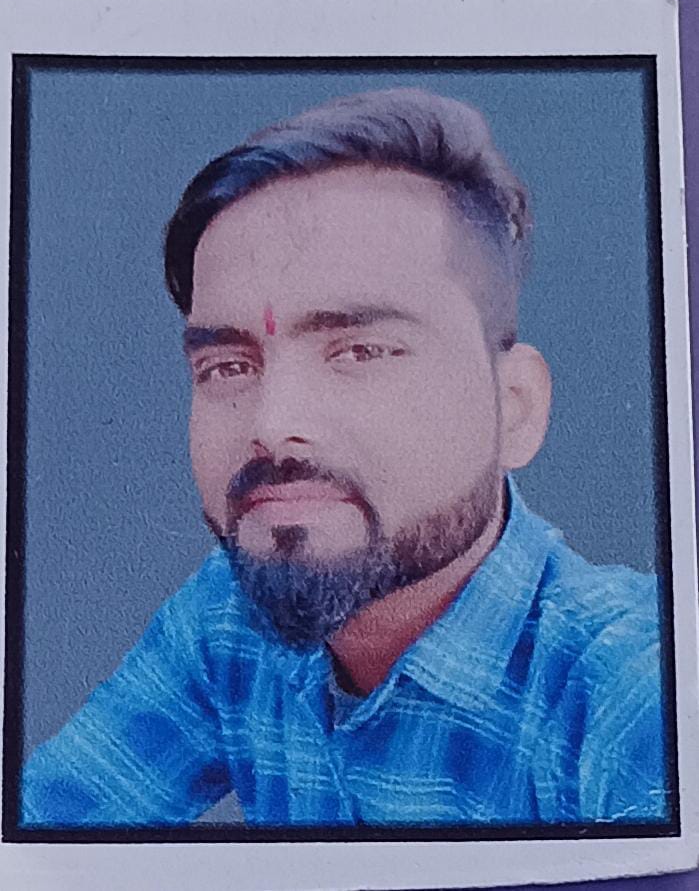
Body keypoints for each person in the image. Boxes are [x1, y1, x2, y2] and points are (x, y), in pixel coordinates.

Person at [21, 88, 667, 829]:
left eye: (360, 351)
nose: (272, 425)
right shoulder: (230, 621)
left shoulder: (637, 697)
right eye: (228, 366)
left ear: (514, 407)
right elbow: (37, 840)